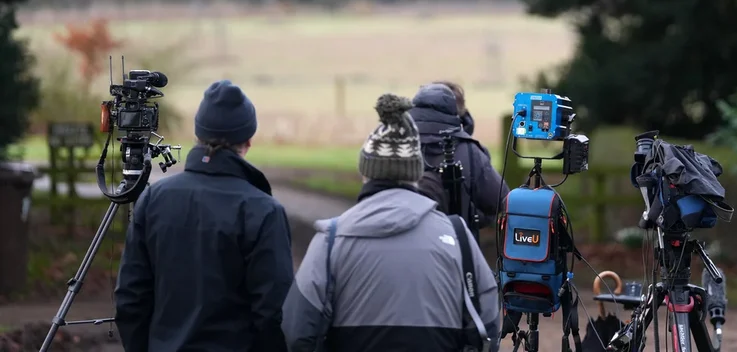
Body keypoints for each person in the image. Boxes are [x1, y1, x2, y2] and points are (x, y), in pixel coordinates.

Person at [281, 93, 500, 352]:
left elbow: (297, 333)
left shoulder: (331, 240)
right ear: (416, 173)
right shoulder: (458, 237)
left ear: (365, 173)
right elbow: (487, 327)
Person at [114, 80, 294, 352]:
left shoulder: (153, 200)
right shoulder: (262, 210)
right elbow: (273, 313)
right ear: (247, 140)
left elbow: (131, 298)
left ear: (198, 134)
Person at [409, 81, 508, 230]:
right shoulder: (469, 150)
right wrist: (471, 217)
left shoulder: (396, 145)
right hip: (455, 241)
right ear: (458, 114)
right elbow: (500, 200)